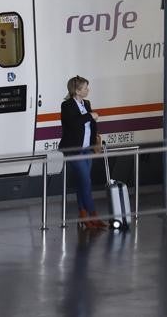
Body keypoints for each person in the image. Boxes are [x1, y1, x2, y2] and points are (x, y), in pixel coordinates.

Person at [60, 75, 105, 231]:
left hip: (87, 149)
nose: (88, 90)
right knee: (86, 182)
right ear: (77, 90)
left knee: (82, 182)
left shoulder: (86, 103)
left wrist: (94, 144)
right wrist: (90, 116)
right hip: (74, 150)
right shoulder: (66, 106)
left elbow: (89, 126)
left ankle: (83, 214)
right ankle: (93, 215)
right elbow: (73, 124)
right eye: (85, 87)